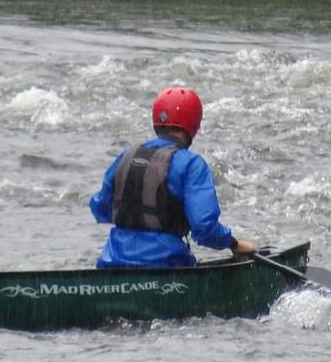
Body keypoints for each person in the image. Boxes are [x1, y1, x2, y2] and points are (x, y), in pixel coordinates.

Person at [88, 86, 256, 268]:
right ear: (194, 124)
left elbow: (100, 208)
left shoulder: (126, 155)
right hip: (168, 266)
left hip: (112, 264)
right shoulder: (192, 164)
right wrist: (233, 243)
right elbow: (204, 228)